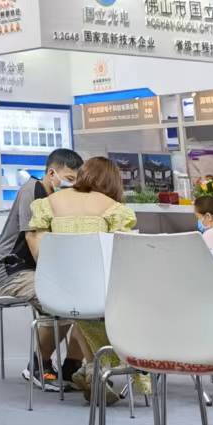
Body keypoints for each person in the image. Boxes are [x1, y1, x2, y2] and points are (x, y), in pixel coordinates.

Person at [25, 155, 137, 394]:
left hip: (54, 292)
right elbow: (122, 255)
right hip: (97, 295)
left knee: (83, 309)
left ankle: (87, 368)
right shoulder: (114, 209)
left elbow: (36, 245)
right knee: (113, 304)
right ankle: (100, 368)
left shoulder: (47, 204)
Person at [0, 148, 81, 383]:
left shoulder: (60, 199)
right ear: (52, 173)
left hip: (40, 271)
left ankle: (73, 367)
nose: (72, 185)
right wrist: (57, 278)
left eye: (76, 180)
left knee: (84, 304)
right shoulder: (32, 191)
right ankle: (39, 365)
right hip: (13, 272)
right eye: (69, 179)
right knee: (63, 303)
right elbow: (33, 238)